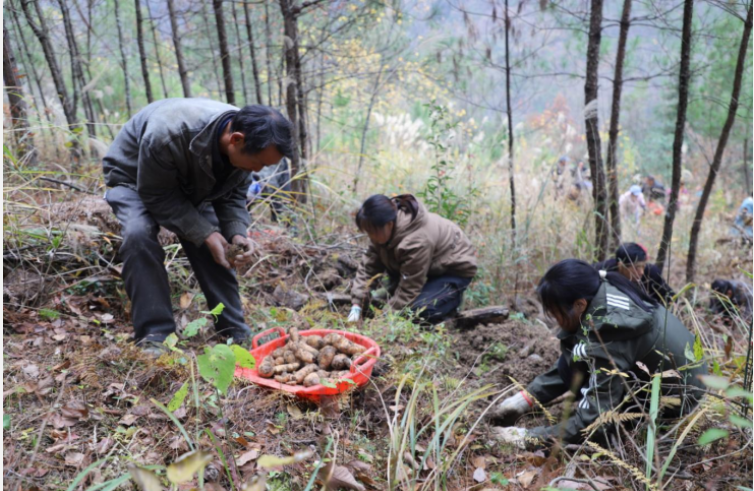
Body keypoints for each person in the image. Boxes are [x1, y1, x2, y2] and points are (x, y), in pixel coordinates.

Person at [102, 99, 293, 354]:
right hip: (134, 180)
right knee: (139, 235)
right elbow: (157, 195)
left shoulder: (249, 138)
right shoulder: (168, 134)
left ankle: (235, 332)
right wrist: (205, 233)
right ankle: (155, 336)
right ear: (235, 139)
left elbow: (234, 194)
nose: (258, 170)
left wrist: (236, 232)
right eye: (258, 162)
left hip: (192, 184)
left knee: (221, 246)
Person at [487, 259, 706, 449]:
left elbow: (593, 422)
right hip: (674, 373)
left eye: (555, 313)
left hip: (677, 396)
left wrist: (527, 437)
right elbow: (576, 357)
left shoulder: (610, 332)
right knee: (570, 363)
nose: (554, 320)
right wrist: (526, 398)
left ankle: (630, 424)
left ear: (580, 304)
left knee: (600, 420)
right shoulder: (600, 287)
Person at [347, 194, 477, 325]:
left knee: (419, 311)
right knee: (381, 302)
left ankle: (451, 299)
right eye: (368, 232)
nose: (371, 237)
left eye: (373, 232)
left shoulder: (416, 241)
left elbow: (410, 287)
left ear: (389, 224)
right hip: (422, 268)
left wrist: (385, 319)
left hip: (451, 269)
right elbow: (369, 267)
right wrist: (357, 304)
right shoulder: (380, 230)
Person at [593, 243, 675, 304]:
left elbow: (671, 298)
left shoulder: (651, 273)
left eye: (643, 266)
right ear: (621, 265)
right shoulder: (603, 270)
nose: (641, 272)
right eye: (636, 267)